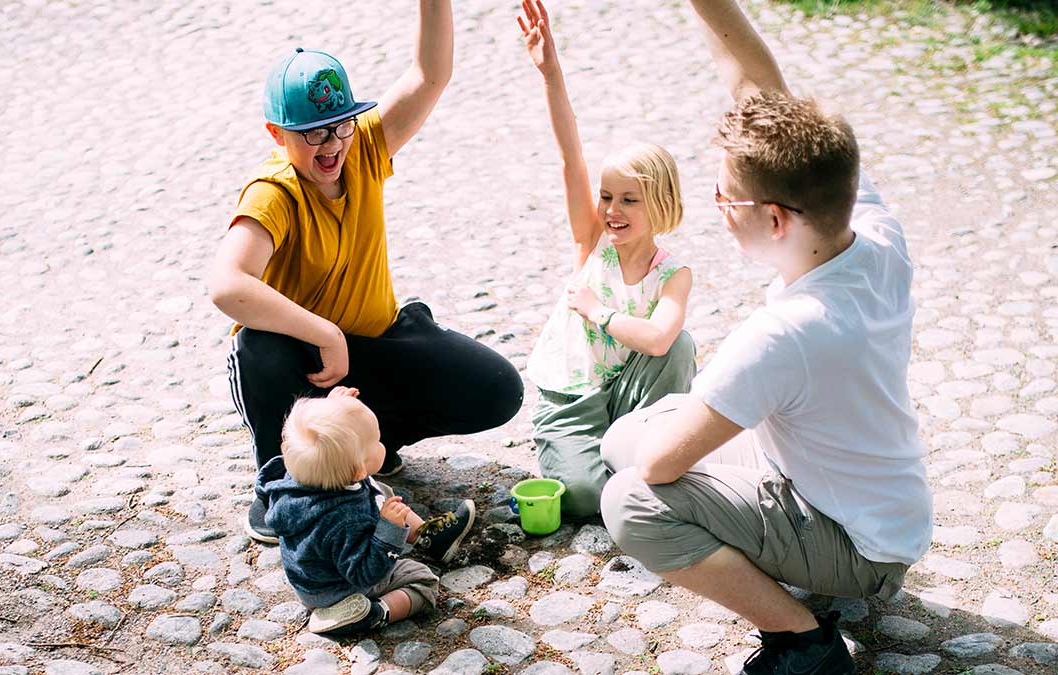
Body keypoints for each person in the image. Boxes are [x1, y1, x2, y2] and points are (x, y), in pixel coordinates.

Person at [598, 2, 932, 674]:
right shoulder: (868, 230)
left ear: (775, 219)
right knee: (619, 439)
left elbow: (662, 467)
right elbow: (756, 81)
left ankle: (803, 639)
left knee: (630, 497)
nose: (720, 212)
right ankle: (794, 563)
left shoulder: (785, 333)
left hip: (859, 547)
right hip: (876, 497)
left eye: (727, 200)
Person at [208, 0, 524, 543]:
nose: (332, 145)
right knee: (260, 346)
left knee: (497, 389)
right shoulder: (274, 192)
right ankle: (282, 485)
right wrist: (325, 334)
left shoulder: (366, 148)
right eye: (312, 133)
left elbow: (431, 74)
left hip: (374, 348)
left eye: (340, 126)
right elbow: (227, 285)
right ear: (276, 133)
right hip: (304, 366)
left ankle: (365, 451)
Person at [516, 0, 696, 518]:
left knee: (679, 347)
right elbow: (571, 153)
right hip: (572, 397)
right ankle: (583, 455)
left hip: (625, 395)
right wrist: (550, 73)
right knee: (590, 501)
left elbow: (661, 339)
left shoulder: (673, 275)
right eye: (606, 197)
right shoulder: (591, 239)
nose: (611, 210)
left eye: (628, 200)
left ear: (659, 204)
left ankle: (650, 452)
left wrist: (598, 310)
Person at [259, 387, 476, 637]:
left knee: (379, 490)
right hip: (342, 589)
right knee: (424, 581)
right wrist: (389, 530)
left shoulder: (297, 479)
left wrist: (334, 410)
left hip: (310, 581)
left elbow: (323, 442)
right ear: (359, 470)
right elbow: (366, 572)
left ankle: (431, 537)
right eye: (377, 441)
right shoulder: (347, 519)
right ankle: (374, 614)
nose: (381, 443)